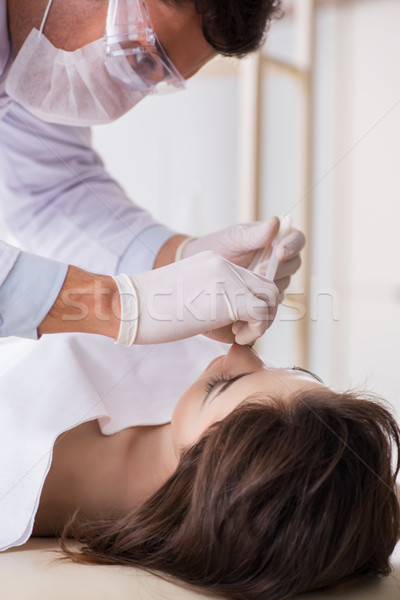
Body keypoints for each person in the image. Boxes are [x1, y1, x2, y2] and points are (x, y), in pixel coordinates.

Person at [0, 0, 305, 345]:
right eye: (142, 57)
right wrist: (116, 305)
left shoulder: (29, 59)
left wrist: (179, 259)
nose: (122, 101)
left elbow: (51, 193)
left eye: (157, 80)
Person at [24, 342, 399, 600]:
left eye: (223, 385)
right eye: (295, 371)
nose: (239, 352)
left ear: (206, 485)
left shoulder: (21, 475)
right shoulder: (192, 378)